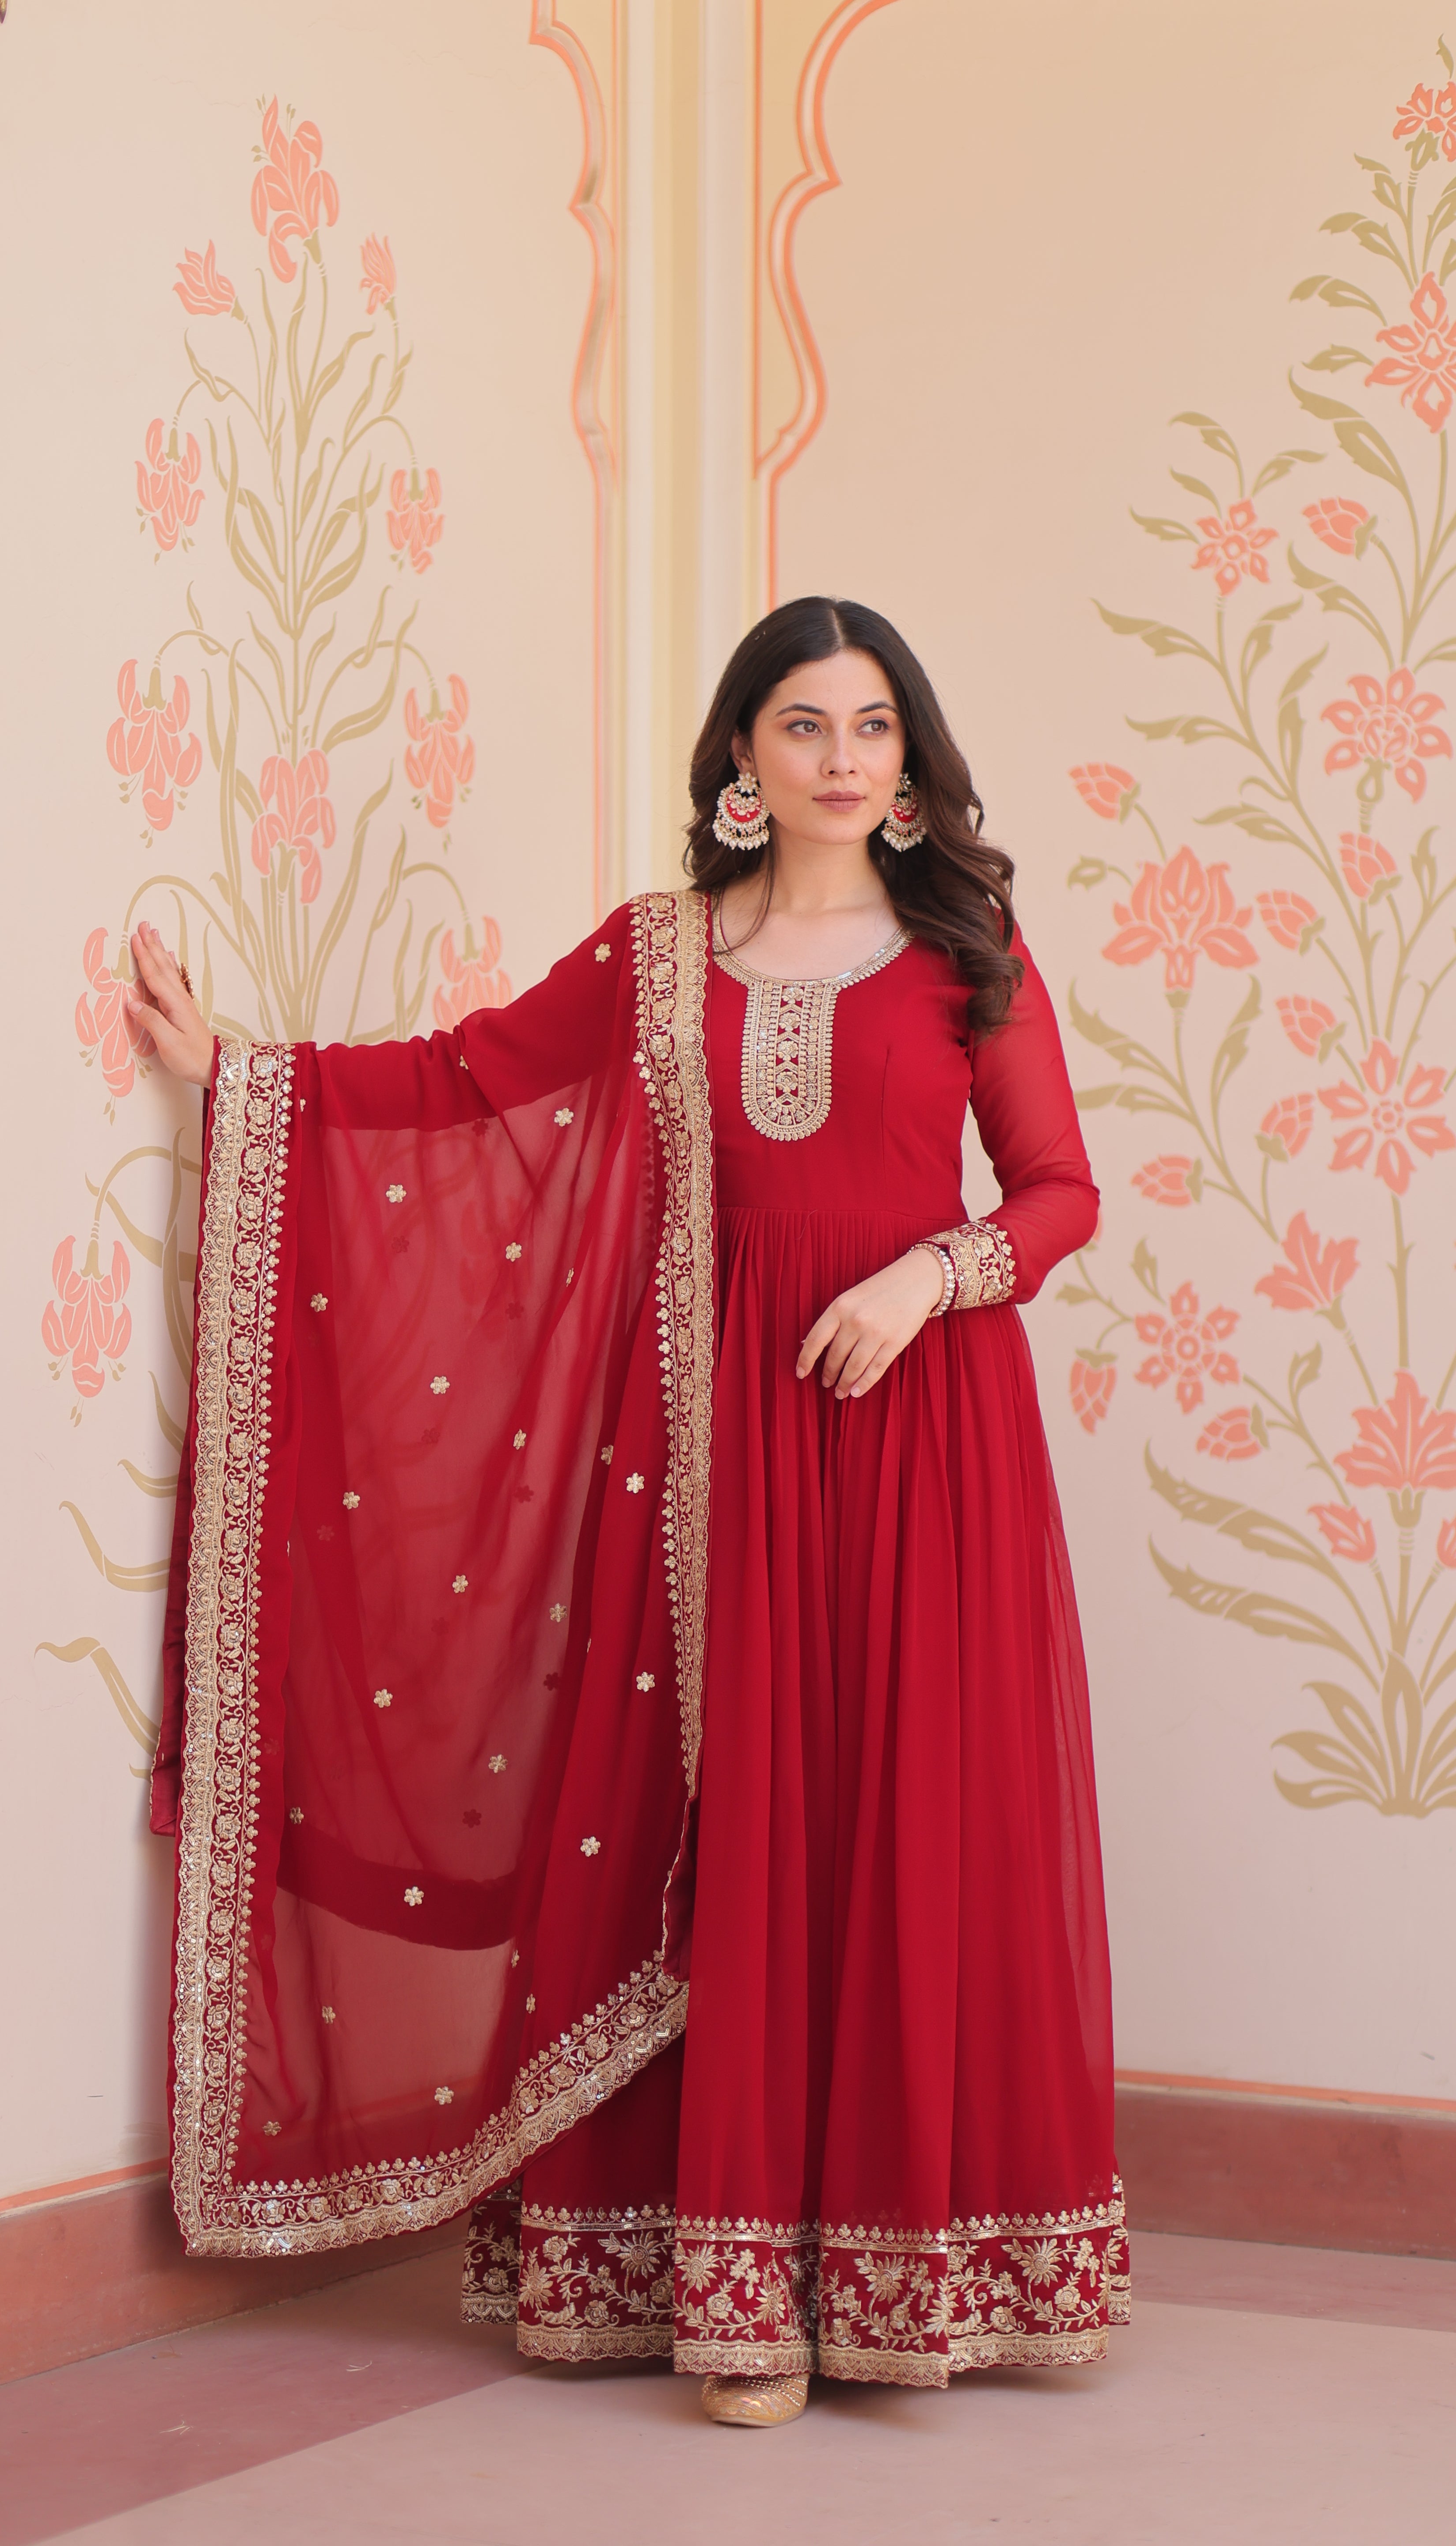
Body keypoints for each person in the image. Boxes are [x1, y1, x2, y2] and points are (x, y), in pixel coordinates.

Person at [131, 595, 1127, 2429]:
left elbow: (1063, 1190)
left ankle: (892, 2281)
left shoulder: (971, 949)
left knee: (894, 1812)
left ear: (912, 767)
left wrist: (933, 1279)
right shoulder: (660, 956)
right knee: (724, 1818)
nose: (843, 758)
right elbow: (466, 1083)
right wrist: (245, 1080)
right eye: (806, 726)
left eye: (876, 729)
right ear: (741, 760)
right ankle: (726, 2289)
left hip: (923, 1442)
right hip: (707, 1449)